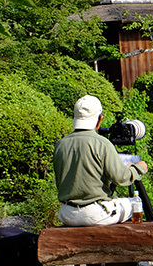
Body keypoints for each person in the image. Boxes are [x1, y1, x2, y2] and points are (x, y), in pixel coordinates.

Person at [53, 95, 148, 226]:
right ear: (99, 119)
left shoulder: (60, 144)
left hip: (67, 214)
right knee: (135, 204)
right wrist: (139, 167)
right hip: (95, 215)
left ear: (74, 117)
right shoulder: (102, 143)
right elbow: (122, 178)